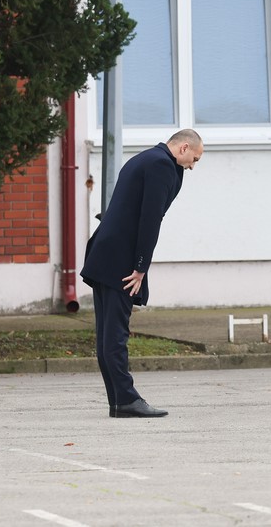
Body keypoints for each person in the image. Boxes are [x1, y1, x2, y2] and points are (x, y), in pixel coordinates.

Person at [81, 129, 203, 417]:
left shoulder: (144, 158)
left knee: (106, 334)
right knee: (115, 334)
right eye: (194, 159)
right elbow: (150, 219)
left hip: (104, 253)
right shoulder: (162, 165)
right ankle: (126, 400)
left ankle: (119, 400)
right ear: (184, 147)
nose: (192, 166)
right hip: (120, 260)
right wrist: (140, 267)